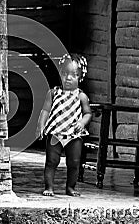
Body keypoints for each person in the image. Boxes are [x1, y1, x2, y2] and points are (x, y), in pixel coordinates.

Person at [36, 53, 92, 196]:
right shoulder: (53, 93)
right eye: (65, 73)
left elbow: (88, 113)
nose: (68, 78)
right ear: (60, 73)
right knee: (51, 161)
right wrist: (41, 126)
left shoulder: (81, 96)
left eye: (74, 75)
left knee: (74, 163)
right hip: (55, 133)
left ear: (80, 77)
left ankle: (70, 188)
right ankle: (49, 187)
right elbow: (45, 110)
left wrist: (82, 122)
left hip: (74, 135)